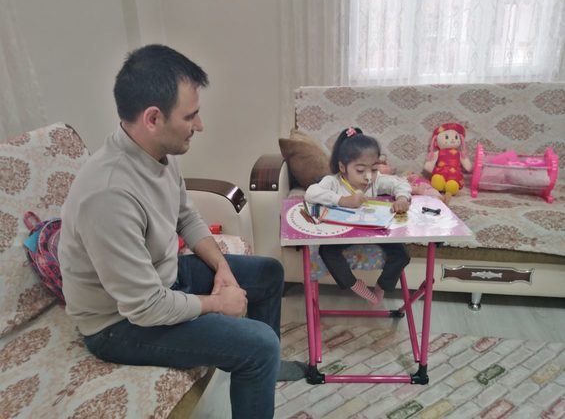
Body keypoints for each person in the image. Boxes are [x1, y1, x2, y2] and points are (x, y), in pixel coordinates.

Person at [58, 44, 304, 419]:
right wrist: (220, 303)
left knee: (269, 273)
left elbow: (186, 217)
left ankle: (262, 377)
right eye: (191, 116)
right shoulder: (108, 195)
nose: (199, 125)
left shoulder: (158, 154)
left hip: (162, 278)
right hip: (119, 324)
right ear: (153, 118)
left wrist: (223, 269)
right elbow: (145, 307)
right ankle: (258, 362)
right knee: (260, 346)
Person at [304, 127, 412, 306]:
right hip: (343, 233)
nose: (368, 177)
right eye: (360, 170)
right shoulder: (334, 182)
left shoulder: (375, 181)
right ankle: (354, 285)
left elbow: (400, 183)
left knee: (402, 255)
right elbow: (311, 193)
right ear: (342, 167)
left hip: (374, 231)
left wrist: (402, 198)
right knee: (326, 251)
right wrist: (343, 200)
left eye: (374, 169)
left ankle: (383, 286)